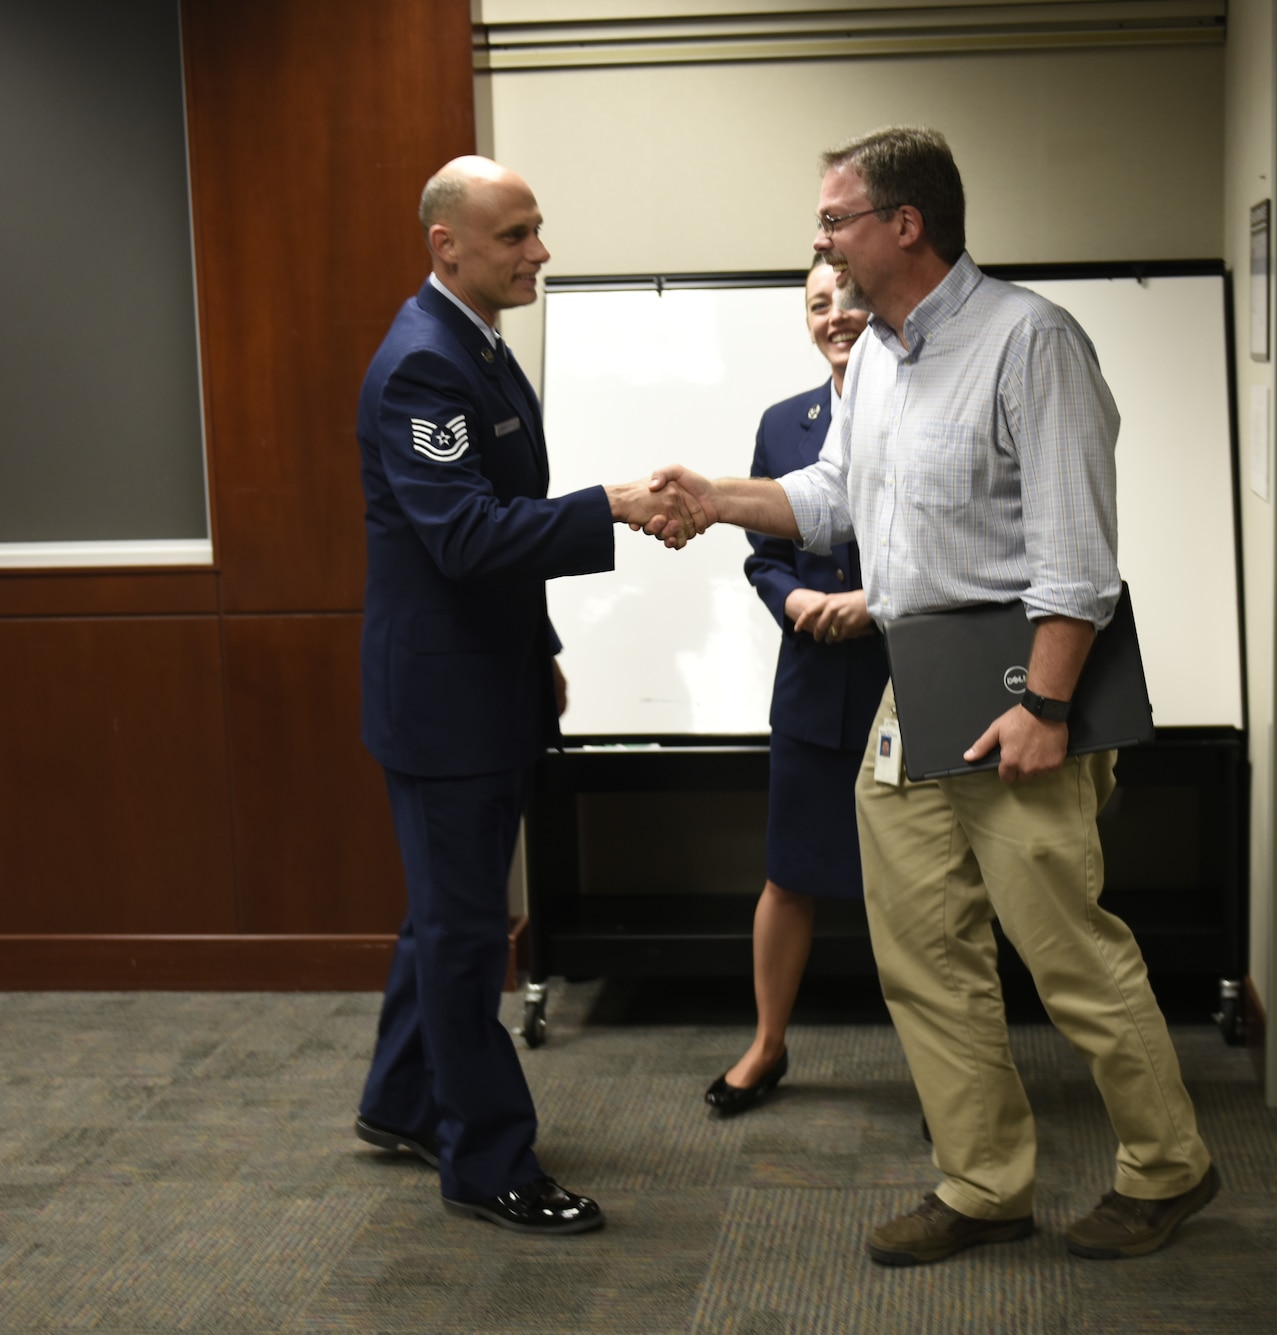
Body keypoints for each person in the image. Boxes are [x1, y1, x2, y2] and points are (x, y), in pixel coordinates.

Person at [652, 126, 1218, 1267]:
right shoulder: (879, 358)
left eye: (834, 220)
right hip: (912, 695)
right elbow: (833, 499)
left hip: (1019, 696)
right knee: (923, 951)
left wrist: (1047, 708)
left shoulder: (1029, 344)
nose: (821, 241)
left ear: (903, 226)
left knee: (1064, 951)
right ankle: (981, 1183)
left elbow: (1076, 561)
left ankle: (1167, 1168)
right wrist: (717, 496)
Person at [352, 155, 702, 1237]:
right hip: (444, 707)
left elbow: (492, 518)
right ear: (444, 245)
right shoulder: (422, 366)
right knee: (463, 937)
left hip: (491, 680)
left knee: (442, 918)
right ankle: (484, 1161)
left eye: (536, 229)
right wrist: (611, 504)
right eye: (513, 235)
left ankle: (405, 1102)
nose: (537, 251)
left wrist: (538, 641)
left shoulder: (478, 348)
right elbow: (461, 538)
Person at [706, 256, 891, 1117]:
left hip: (913, 681)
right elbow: (764, 554)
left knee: (928, 888)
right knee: (790, 874)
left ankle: (949, 1068)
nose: (837, 314)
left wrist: (874, 604)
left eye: (851, 296)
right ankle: (767, 1044)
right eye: (819, 303)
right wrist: (800, 598)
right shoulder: (785, 424)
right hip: (816, 680)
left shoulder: (924, 402)